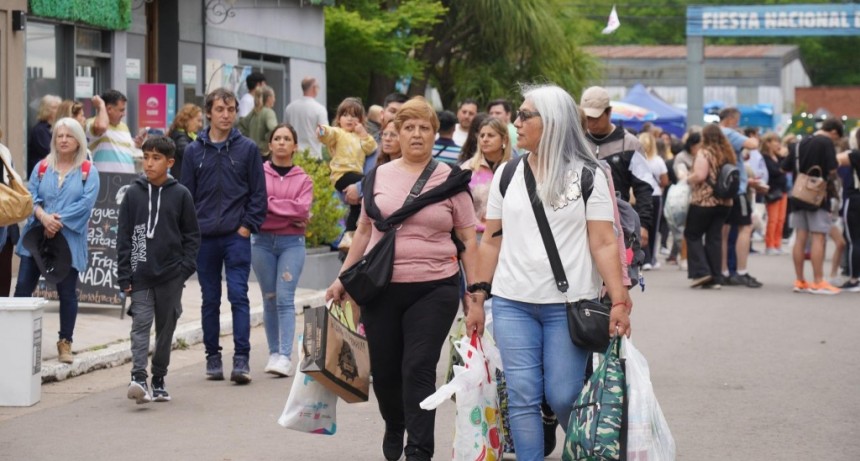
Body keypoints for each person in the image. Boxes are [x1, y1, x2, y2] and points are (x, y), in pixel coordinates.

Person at [469, 84, 632, 460]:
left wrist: (619, 300)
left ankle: (586, 448)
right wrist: (477, 297)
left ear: (554, 122)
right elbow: (490, 241)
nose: (515, 122)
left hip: (569, 306)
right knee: (523, 396)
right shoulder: (507, 174)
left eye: (525, 115)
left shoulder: (588, 175)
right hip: (512, 302)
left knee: (563, 394)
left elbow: (604, 243)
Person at [325, 97, 479, 461]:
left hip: (435, 287)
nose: (417, 134)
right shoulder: (377, 176)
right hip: (381, 288)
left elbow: (468, 239)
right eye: (409, 127)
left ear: (434, 133)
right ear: (396, 133)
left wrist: (475, 295)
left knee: (418, 368)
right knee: (386, 372)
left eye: (424, 128)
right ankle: (394, 423)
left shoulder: (452, 180)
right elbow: (364, 231)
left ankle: (419, 450)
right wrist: (343, 279)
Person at [181, 88, 267, 383]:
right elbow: (186, 196)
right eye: (220, 109)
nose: (226, 115)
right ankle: (212, 357)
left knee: (239, 295)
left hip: (235, 235)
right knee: (210, 299)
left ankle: (241, 359)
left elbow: (258, 194)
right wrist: (191, 232)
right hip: (204, 238)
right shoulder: (193, 151)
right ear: (208, 112)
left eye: (231, 110)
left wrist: (246, 226)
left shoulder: (248, 149)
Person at [117, 136, 200, 404]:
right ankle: (138, 378)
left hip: (171, 275)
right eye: (146, 157)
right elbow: (126, 236)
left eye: (156, 158)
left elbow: (191, 236)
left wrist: (183, 270)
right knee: (140, 325)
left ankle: (159, 378)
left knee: (165, 329)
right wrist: (125, 274)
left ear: (170, 162)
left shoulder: (181, 194)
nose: (149, 163)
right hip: (141, 273)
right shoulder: (133, 194)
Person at [14, 118, 100, 363]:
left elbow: (85, 204)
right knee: (22, 288)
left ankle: (65, 342)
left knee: (67, 292)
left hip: (68, 240)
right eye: (59, 136)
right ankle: (16, 337)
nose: (63, 140)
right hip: (36, 238)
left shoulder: (88, 171)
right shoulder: (42, 167)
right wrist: (43, 217)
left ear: (78, 140)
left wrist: (56, 222)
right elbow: (29, 196)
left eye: (69, 136)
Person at [251, 124, 313, 377]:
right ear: (270, 144)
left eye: (287, 138)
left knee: (285, 298)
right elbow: (256, 204)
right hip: (261, 242)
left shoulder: (303, 179)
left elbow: (303, 209)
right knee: (269, 298)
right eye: (277, 138)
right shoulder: (258, 174)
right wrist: (288, 210)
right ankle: (273, 353)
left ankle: (285, 356)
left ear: (295, 146)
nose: (281, 142)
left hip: (292, 243)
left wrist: (270, 206)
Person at [581, 86, 655, 247]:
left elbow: (644, 186)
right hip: (581, 224)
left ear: (609, 112)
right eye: (587, 117)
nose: (591, 123)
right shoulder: (578, 142)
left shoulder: (630, 144)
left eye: (595, 117)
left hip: (618, 224)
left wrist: (643, 224)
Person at [783, 117, 843, 295]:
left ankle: (800, 280)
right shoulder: (826, 142)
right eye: (836, 138)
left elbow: (784, 166)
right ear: (834, 132)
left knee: (800, 237)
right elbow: (832, 169)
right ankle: (818, 281)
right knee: (818, 237)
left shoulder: (798, 143)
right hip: (817, 196)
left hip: (798, 194)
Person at [319, 97, 377, 249]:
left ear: (361, 120)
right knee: (370, 181)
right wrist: (322, 130)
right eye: (345, 115)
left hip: (355, 177)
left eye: (354, 115)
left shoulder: (361, 137)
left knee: (357, 206)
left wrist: (363, 133)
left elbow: (371, 147)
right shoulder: (339, 133)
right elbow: (328, 134)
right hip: (342, 175)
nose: (349, 119)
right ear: (339, 119)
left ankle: (348, 237)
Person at [685, 124, 736, 289]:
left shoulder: (704, 152)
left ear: (704, 137)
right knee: (714, 238)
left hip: (704, 201)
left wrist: (687, 178)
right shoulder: (728, 153)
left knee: (692, 234)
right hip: (724, 202)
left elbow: (700, 175)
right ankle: (716, 277)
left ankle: (702, 272)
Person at [718, 108, 763, 288]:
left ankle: (723, 271)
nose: (737, 123)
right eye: (737, 120)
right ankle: (741, 271)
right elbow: (752, 144)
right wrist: (751, 137)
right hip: (737, 188)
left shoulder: (714, 133)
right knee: (746, 227)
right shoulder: (729, 132)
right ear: (730, 119)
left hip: (722, 186)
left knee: (723, 231)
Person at [462, 117, 512, 234]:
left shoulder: (515, 169)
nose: (485, 139)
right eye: (482, 135)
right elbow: (459, 205)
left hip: (508, 235)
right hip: (474, 234)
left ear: (504, 139)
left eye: (490, 135)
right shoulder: (467, 169)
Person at [87, 90, 143, 174]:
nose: (124, 114)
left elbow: (128, 153)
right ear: (109, 109)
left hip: (127, 179)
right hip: (105, 179)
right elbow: (102, 126)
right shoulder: (94, 123)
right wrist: (101, 105)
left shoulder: (124, 127)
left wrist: (137, 146)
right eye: (121, 110)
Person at [638, 131, 668, 270]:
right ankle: (651, 259)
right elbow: (664, 180)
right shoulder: (658, 161)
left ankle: (643, 258)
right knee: (653, 227)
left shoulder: (636, 160)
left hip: (639, 196)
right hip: (655, 195)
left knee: (640, 226)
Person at [836, 131, 860, 292]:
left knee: (854, 240)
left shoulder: (855, 155)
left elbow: (834, 160)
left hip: (855, 199)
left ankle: (854, 278)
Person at [285, 77, 329, 159]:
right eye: (318, 87)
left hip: (294, 154)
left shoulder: (290, 108)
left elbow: (286, 129)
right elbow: (323, 132)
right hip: (313, 154)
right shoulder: (319, 109)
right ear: (314, 88)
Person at [761, 132, 788, 255]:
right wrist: (781, 169)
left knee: (781, 219)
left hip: (783, 189)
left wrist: (782, 157)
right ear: (768, 143)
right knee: (773, 219)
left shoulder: (778, 157)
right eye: (775, 141)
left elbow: (786, 167)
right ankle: (770, 244)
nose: (778, 144)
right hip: (773, 190)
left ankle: (777, 243)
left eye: (778, 141)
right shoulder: (765, 157)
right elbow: (774, 171)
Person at [167, 103, 203, 181]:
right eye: (198, 120)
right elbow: (189, 152)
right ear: (187, 119)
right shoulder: (179, 136)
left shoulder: (189, 135)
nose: (200, 125)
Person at [239, 85, 278, 157]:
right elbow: (274, 130)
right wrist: (266, 142)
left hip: (251, 152)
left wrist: (248, 137)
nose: (274, 100)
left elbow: (241, 124)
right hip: (264, 153)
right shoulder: (269, 112)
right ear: (269, 98)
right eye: (274, 97)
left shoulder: (254, 112)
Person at [27, 95, 61, 174]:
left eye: (59, 108)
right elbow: (50, 152)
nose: (58, 111)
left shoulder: (56, 128)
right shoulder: (40, 130)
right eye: (55, 108)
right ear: (46, 110)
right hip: (42, 173)